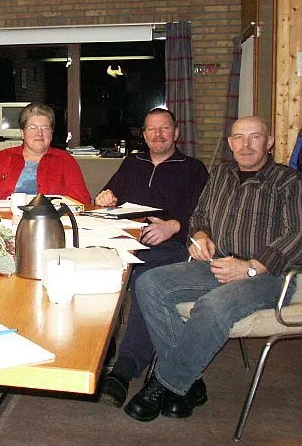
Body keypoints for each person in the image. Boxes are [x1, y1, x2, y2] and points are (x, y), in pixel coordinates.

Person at [125, 116, 302, 422]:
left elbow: (296, 233)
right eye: (239, 138)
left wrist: (250, 267)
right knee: (148, 283)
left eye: (254, 137)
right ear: (230, 143)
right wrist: (202, 236)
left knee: (213, 304)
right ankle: (191, 383)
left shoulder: (288, 180)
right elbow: (200, 214)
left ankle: (166, 383)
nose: (246, 145)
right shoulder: (221, 174)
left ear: (269, 141)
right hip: (217, 263)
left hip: (268, 275)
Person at [96, 108, 208, 408]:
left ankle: (124, 368)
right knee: (93, 268)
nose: (158, 135)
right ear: (144, 135)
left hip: (169, 246)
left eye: (164, 128)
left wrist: (174, 226)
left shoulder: (193, 169)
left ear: (176, 133)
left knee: (145, 282)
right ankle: (99, 350)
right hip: (125, 239)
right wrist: (105, 197)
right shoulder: (133, 162)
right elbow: (109, 196)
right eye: (151, 129)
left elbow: (207, 215)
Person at [0, 102, 90, 203]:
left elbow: (81, 200)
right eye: (32, 128)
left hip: (52, 218)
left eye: (45, 128)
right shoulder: (1, 158)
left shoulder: (65, 160)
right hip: (6, 217)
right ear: (22, 133)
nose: (39, 133)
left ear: (51, 133)